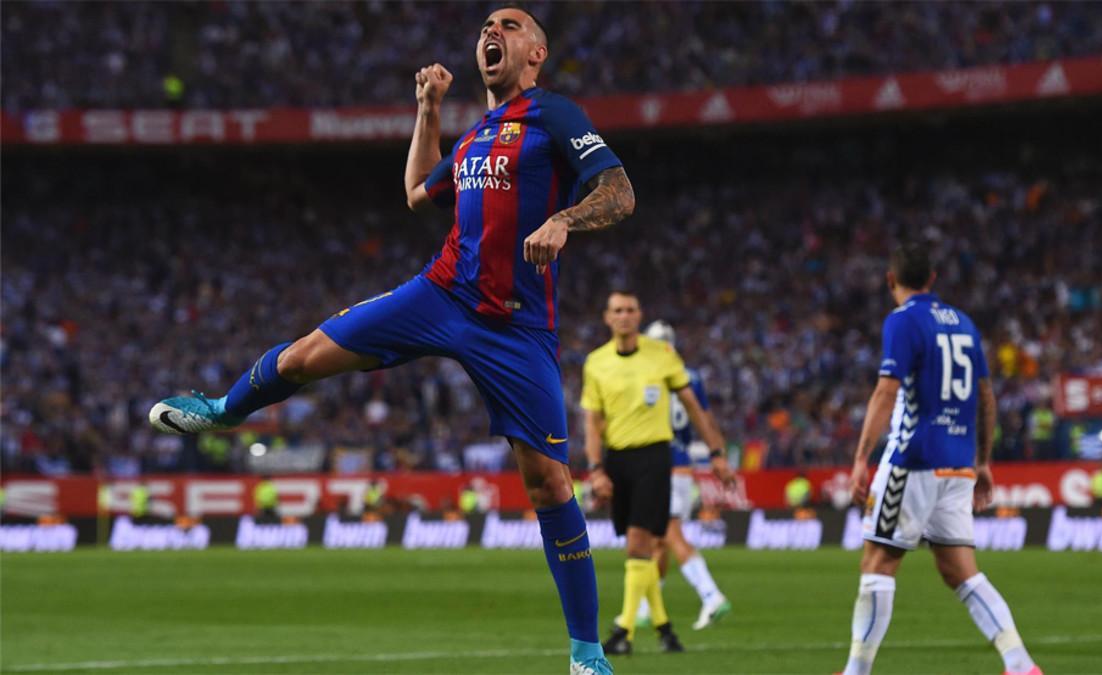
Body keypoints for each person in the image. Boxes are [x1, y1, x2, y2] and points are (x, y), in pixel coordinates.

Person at [147, 6, 634, 674]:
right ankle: (222, 411)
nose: (493, 30)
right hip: (438, 294)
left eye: (511, 24)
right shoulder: (473, 138)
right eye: (487, 24)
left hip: (515, 326)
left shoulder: (553, 115)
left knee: (549, 482)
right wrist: (428, 108)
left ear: (535, 55)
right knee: (303, 356)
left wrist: (565, 220)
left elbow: (620, 189)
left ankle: (586, 654)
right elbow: (414, 192)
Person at [838, 242, 1041, 675]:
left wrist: (860, 458)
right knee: (961, 571)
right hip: (958, 462)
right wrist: (983, 460)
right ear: (932, 278)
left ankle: (856, 673)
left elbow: (886, 391)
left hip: (912, 461)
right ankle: (1021, 665)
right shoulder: (965, 325)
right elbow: (985, 395)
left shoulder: (902, 321)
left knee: (878, 563)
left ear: (890, 280)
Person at [582, 292, 729, 656]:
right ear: (607, 317)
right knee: (644, 547)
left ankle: (624, 631)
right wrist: (595, 467)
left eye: (631, 309)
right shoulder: (595, 363)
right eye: (617, 310)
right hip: (617, 459)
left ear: (639, 314)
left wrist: (717, 453)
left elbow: (694, 407)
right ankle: (664, 629)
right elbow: (593, 421)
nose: (624, 316)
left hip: (654, 458)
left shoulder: (661, 355)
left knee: (639, 542)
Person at [635, 320, 734, 631]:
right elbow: (704, 419)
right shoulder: (690, 376)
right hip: (683, 464)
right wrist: (717, 454)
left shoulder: (646, 375)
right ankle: (646, 607)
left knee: (670, 535)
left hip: (657, 464)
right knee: (658, 541)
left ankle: (711, 594)